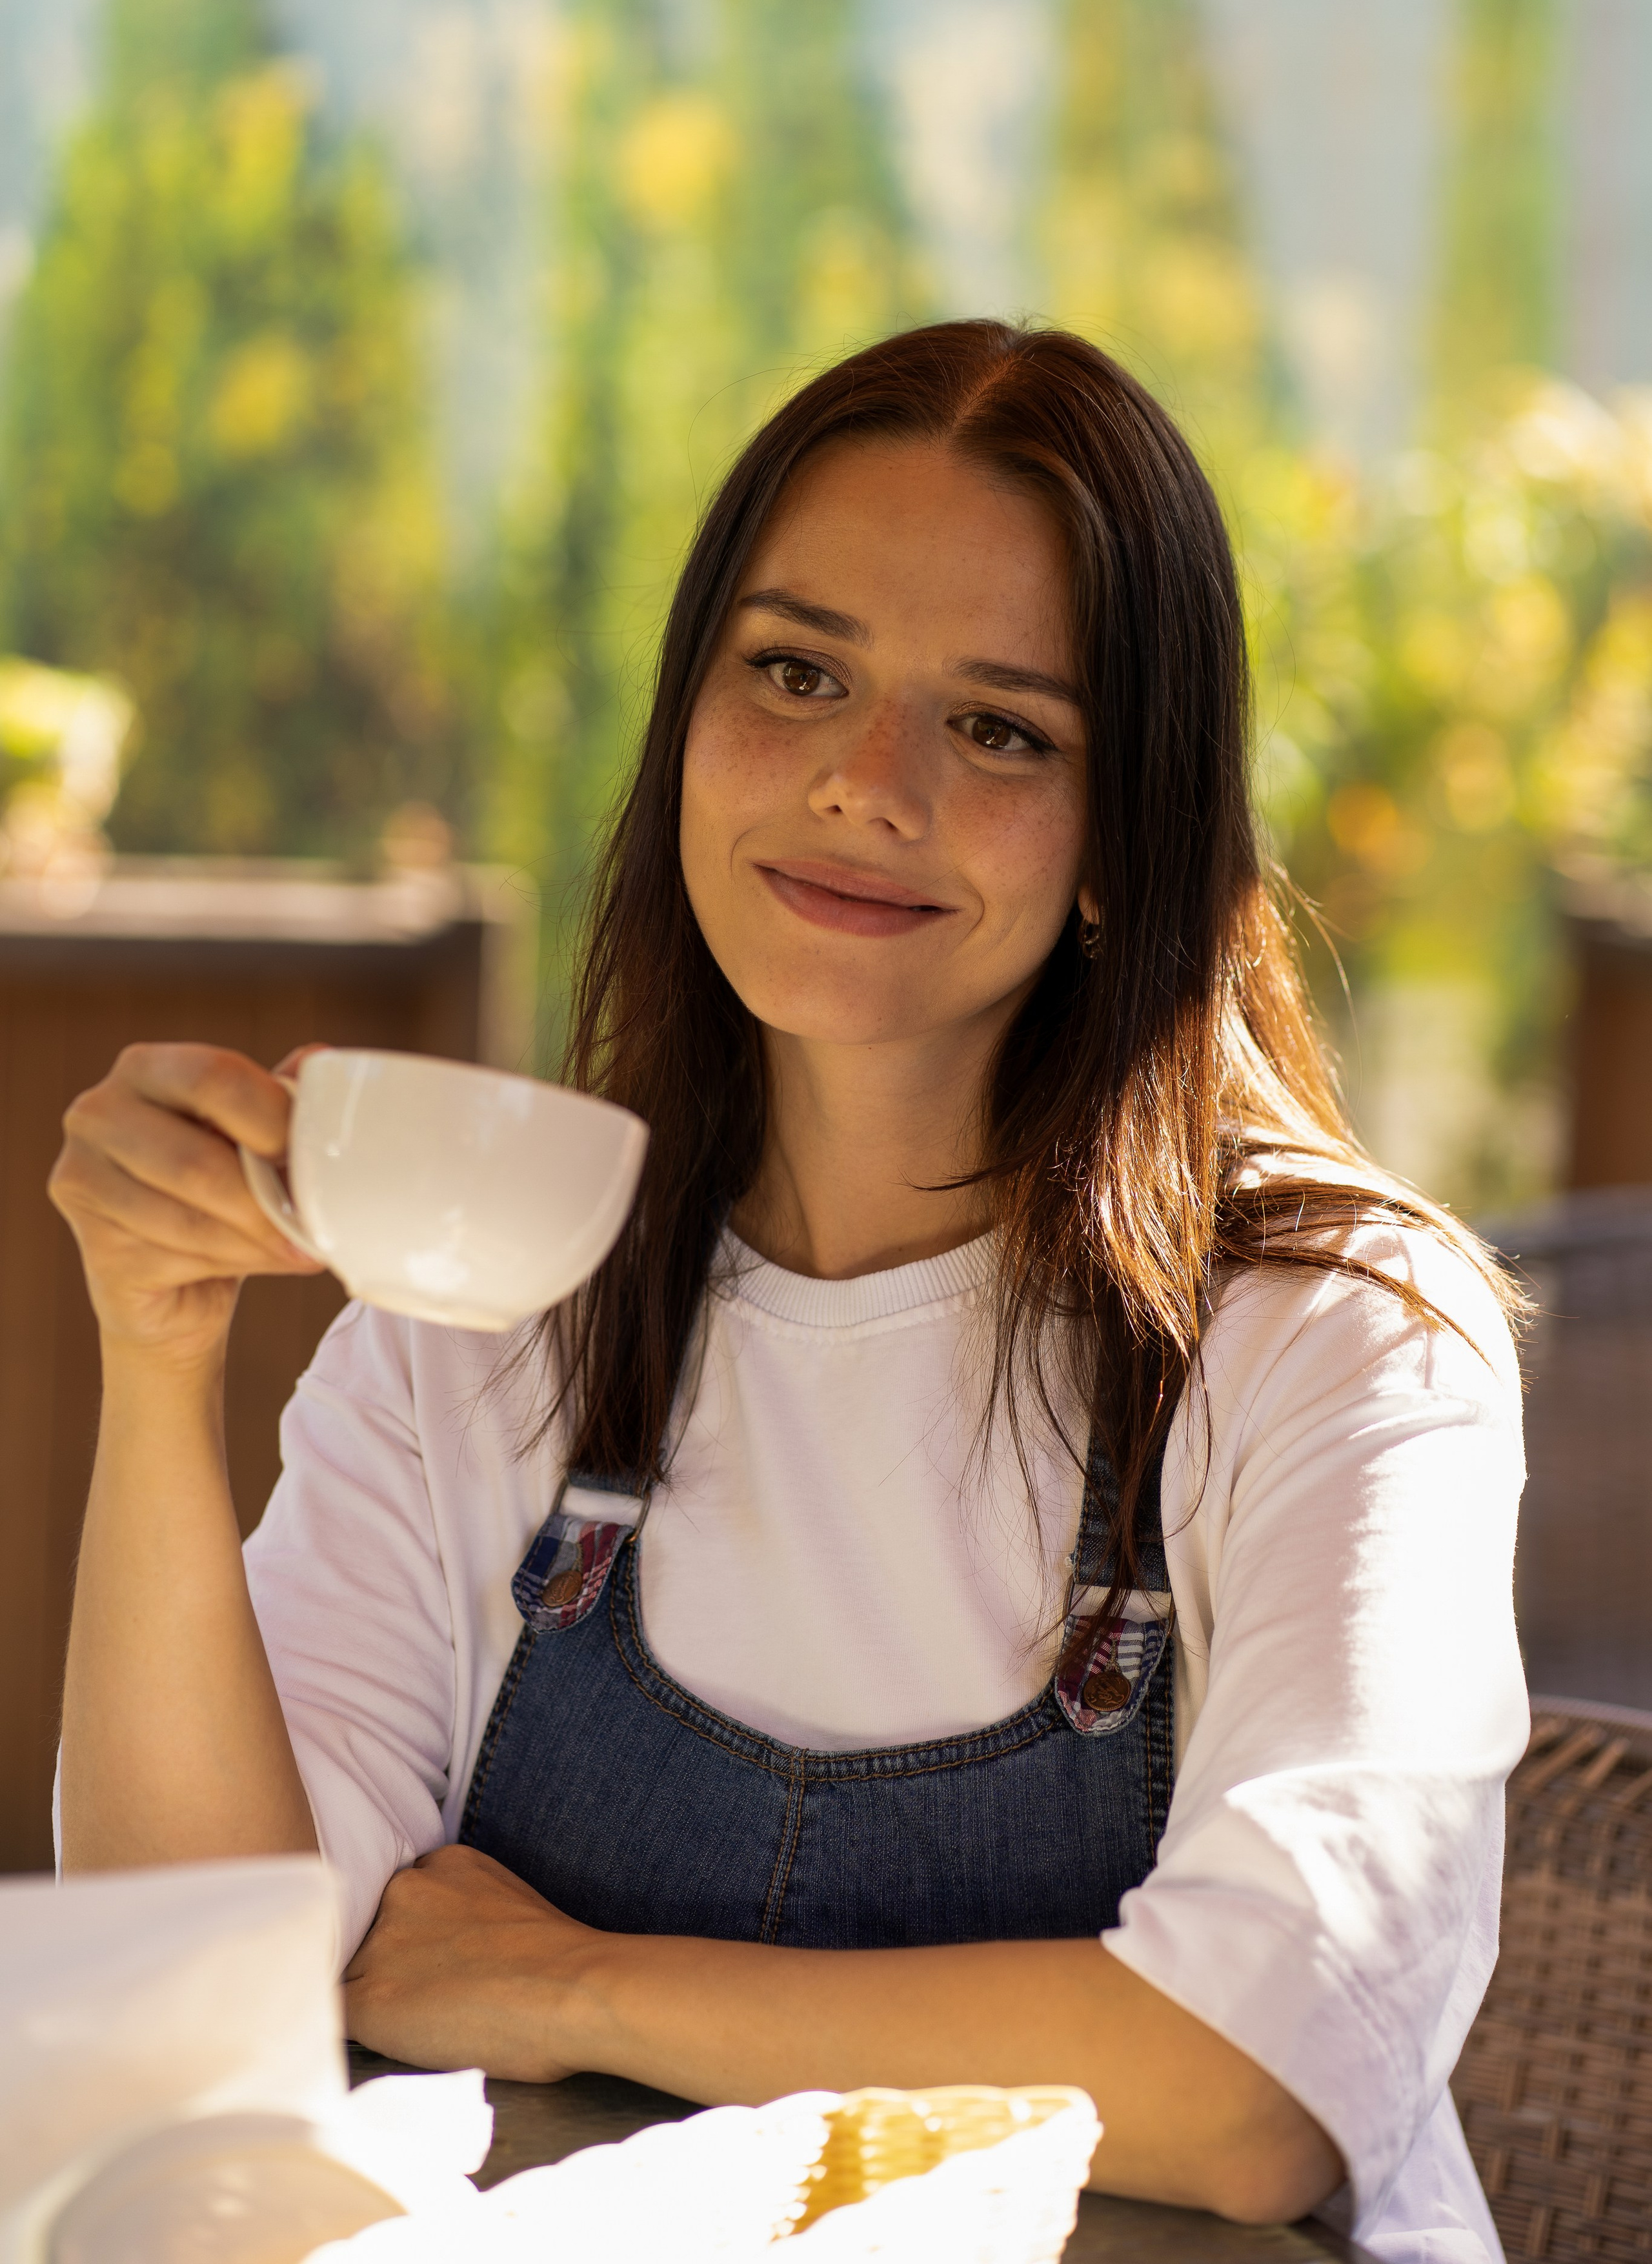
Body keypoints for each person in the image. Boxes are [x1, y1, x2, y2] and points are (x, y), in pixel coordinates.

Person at [50, 322, 1527, 2256]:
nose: (864, 783)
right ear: (688, 728)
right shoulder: (501, 1295)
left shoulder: (1340, 1333)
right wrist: (156, 1361)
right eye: (797, 672)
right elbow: (190, 1977)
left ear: (1121, 838)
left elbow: (1253, 2091)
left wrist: (560, 1987)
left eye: (1001, 727)